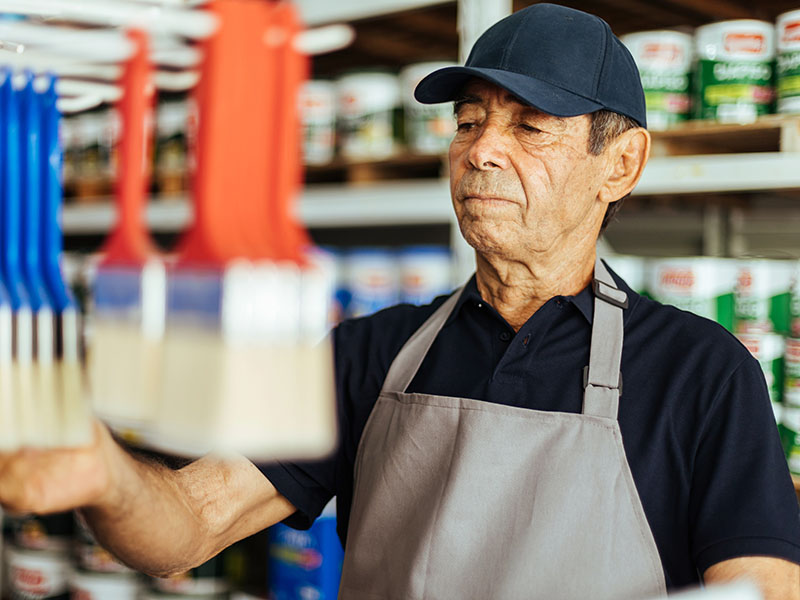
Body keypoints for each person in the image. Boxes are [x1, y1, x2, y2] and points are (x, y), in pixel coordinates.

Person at [1, 3, 799, 599]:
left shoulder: (704, 372)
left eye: (530, 128)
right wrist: (104, 474)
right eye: (468, 121)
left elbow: (762, 585)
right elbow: (188, 527)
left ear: (620, 165)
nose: (480, 149)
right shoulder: (367, 354)